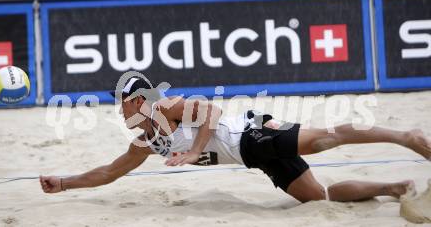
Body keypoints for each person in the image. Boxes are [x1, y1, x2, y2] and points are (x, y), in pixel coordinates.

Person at [40, 76, 431, 203]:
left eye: (121, 102)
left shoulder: (167, 106)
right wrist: (63, 183)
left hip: (252, 133)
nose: (118, 109)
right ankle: (396, 187)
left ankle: (406, 136)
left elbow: (209, 111)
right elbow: (109, 172)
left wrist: (193, 151)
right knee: (320, 199)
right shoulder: (145, 141)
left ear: (140, 99)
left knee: (326, 140)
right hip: (252, 156)